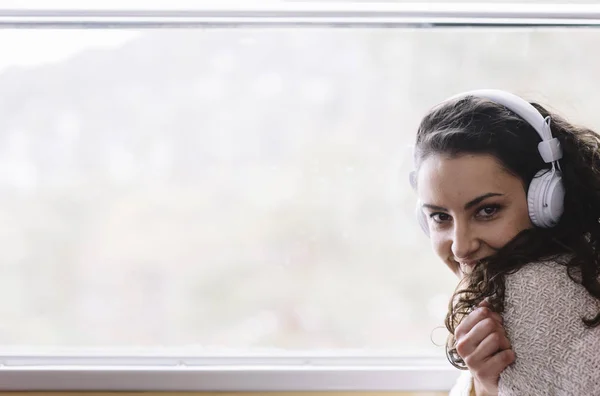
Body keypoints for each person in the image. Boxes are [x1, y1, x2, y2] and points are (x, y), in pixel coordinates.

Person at [409, 89, 600, 395]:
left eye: (487, 210)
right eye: (440, 217)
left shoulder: (529, 294)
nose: (460, 247)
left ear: (549, 201)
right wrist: (487, 385)